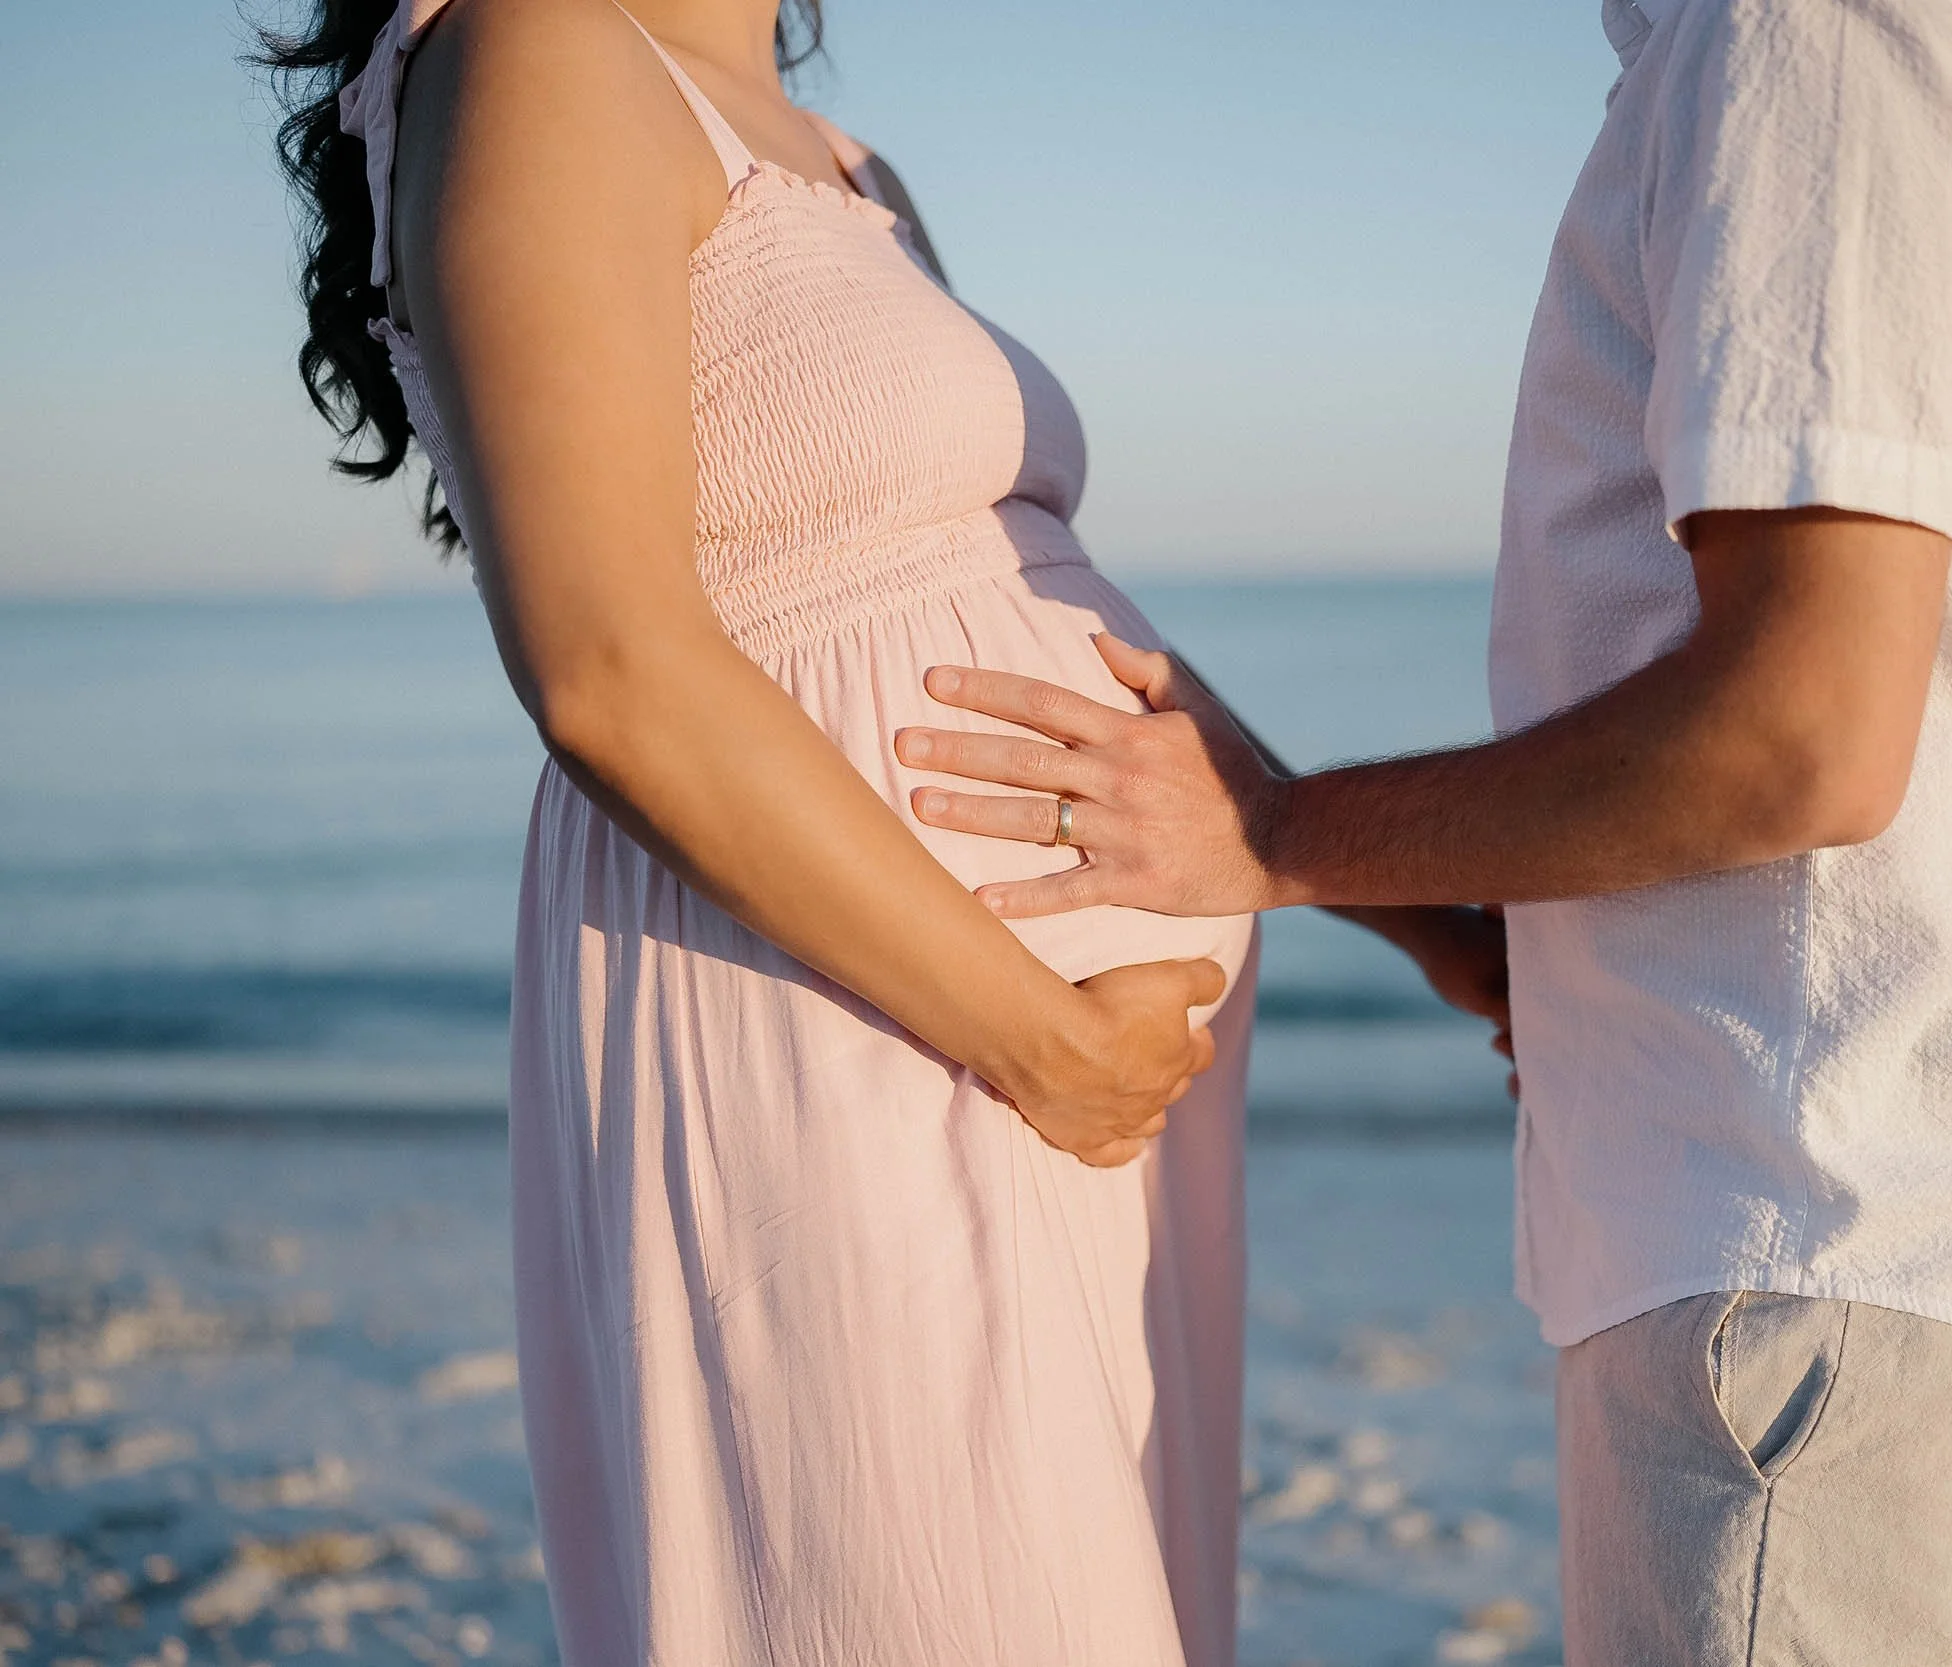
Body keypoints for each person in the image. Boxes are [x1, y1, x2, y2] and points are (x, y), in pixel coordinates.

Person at [902, 0, 1952, 1659]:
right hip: (1818, 1239)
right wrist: (1477, 934)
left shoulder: (1806, 38)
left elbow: (1801, 737)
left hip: (1809, 1244)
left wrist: (1278, 829)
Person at [259, 0, 1499, 1661]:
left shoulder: (854, 170)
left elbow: (1031, 590)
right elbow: (607, 666)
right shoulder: (539, 45)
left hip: (1059, 1083)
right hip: (868, 1017)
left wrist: (1413, 913)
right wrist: (1041, 1036)